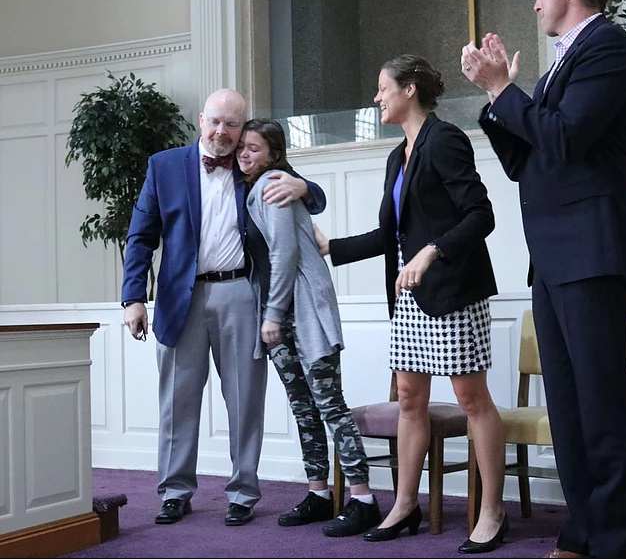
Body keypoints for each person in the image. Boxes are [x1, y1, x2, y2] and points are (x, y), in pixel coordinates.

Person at [460, 0, 626, 557]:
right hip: (556, 260)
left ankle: (617, 546)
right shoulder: (554, 71)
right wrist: (499, 97)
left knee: (603, 412)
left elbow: (565, 139)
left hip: (593, 254)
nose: (535, 0)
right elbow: (525, 161)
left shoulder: (607, 47)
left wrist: (506, 90)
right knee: (568, 415)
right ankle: (584, 532)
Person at [313, 54, 508, 554]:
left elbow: (480, 215)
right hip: (408, 299)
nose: (377, 98)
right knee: (409, 402)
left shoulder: (445, 140)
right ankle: (404, 506)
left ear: (410, 90)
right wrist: (331, 248)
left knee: (472, 402)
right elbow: (389, 234)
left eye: (383, 89)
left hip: (453, 293)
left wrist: (432, 250)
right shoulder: (397, 156)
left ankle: (491, 511)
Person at [120, 88, 326, 527]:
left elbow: (315, 198)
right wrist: (133, 297)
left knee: (245, 398)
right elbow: (140, 235)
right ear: (200, 119)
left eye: (232, 124)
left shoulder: (252, 164)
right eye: (216, 121)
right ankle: (175, 491)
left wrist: (304, 184)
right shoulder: (165, 165)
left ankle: (243, 492)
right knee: (177, 401)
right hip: (180, 298)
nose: (222, 131)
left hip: (241, 294)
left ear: (242, 127)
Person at [236, 118, 383, 537]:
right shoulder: (251, 186)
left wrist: (272, 315)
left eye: (255, 149)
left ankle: (364, 499)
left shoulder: (274, 185)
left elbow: (284, 256)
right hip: (277, 312)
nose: (246, 154)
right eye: (242, 147)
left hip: (298, 312)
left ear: (275, 154)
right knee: (303, 409)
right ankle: (319, 493)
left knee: (330, 406)